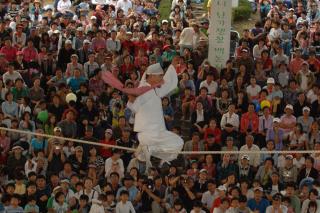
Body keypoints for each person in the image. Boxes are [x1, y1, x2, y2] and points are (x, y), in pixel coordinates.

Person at [127, 58, 184, 167]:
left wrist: (172, 66)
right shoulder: (143, 89)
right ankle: (146, 149)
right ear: (152, 76)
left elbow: (167, 84)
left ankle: (150, 152)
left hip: (157, 131)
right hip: (148, 132)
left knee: (178, 142)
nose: (162, 79)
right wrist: (131, 100)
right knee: (174, 143)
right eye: (160, 76)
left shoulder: (154, 89)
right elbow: (134, 106)